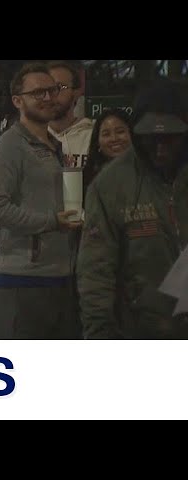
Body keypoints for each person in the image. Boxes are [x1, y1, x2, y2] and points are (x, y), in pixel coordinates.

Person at [77, 79, 188, 339]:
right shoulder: (110, 186)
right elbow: (96, 270)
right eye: (151, 139)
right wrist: (99, 334)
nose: (160, 149)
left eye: (170, 139)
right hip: (142, 329)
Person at [0, 62, 82, 340]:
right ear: (17, 101)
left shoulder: (55, 146)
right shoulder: (6, 149)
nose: (48, 98)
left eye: (52, 90)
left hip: (60, 276)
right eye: (38, 93)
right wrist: (51, 222)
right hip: (20, 278)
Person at [47, 61, 95, 169]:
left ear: (76, 92)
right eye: (47, 89)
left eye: (59, 87)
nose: (51, 96)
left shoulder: (93, 136)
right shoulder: (31, 138)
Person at [84, 108, 133, 193]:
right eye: (106, 134)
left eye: (120, 132)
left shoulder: (146, 173)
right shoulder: (89, 178)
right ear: (97, 142)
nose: (114, 138)